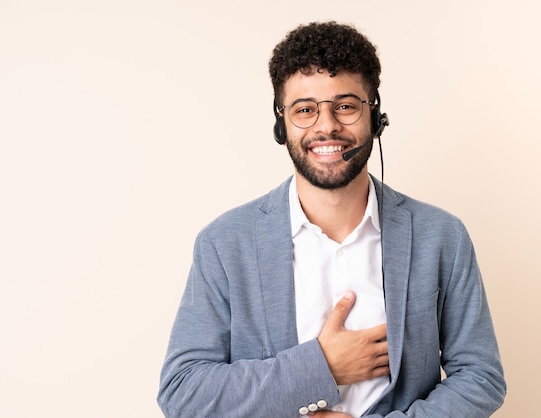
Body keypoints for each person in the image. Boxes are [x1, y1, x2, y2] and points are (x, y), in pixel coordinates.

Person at [157, 21, 506, 418]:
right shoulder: (224, 243)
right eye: (305, 109)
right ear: (281, 124)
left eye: (345, 106)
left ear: (375, 118)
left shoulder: (442, 236)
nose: (326, 126)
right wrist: (321, 366)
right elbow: (183, 392)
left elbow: (481, 376)